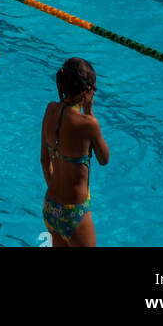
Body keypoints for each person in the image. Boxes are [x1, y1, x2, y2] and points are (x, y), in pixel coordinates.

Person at [41, 58, 109, 247]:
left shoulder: (50, 110)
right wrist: (89, 112)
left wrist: (58, 203)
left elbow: (44, 160)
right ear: (87, 91)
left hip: (51, 206)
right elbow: (104, 158)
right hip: (75, 214)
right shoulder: (88, 124)